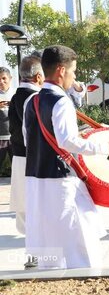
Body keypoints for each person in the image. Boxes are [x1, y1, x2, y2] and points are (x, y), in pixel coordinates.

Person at [23, 45, 109, 269]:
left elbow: (30, 141)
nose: (74, 76)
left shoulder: (32, 101)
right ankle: (84, 280)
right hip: (61, 180)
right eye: (73, 71)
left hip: (35, 178)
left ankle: (45, 278)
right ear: (61, 70)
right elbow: (67, 141)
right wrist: (104, 147)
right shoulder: (62, 101)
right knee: (79, 239)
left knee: (43, 236)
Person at [8, 56, 44, 236]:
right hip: (34, 157)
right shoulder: (36, 98)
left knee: (23, 201)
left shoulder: (15, 96)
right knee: (37, 200)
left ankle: (28, 236)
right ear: (38, 77)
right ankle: (35, 239)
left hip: (19, 154)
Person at [0, 67, 14, 175]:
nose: (1, 81)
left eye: (4, 78)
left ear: (10, 78)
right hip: (0, 137)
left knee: (19, 168)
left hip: (14, 137)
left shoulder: (17, 94)